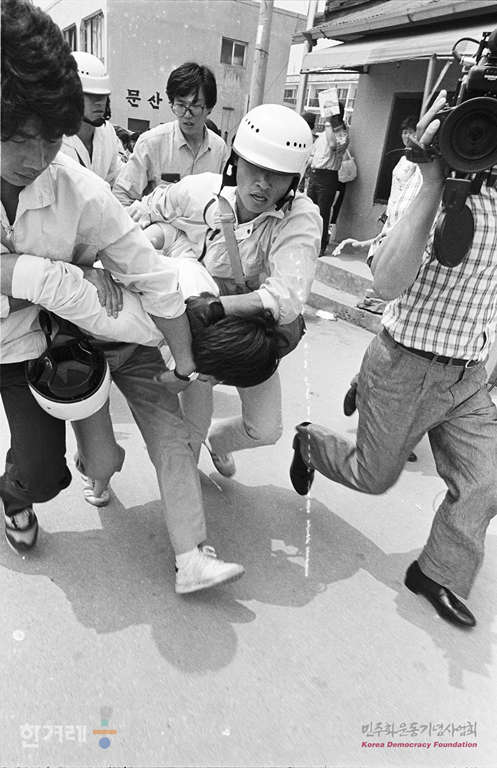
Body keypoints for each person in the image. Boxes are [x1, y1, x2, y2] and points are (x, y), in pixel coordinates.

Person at [0, 0, 244, 594]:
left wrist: (183, 361)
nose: (36, 160)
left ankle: (17, 494)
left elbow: (154, 277)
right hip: (51, 317)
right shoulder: (151, 149)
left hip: (34, 345)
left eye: (51, 140)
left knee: (47, 474)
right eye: (19, 138)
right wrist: (57, 276)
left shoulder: (80, 191)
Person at [290, 90, 497, 629]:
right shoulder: (427, 189)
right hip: (404, 364)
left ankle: (437, 573)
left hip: (469, 375)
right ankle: (311, 443)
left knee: (486, 479)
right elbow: (385, 282)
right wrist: (432, 182)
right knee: (373, 476)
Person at [129, 104, 322, 478]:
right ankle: (188, 487)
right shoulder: (201, 191)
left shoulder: (300, 217)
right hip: (198, 335)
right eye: (255, 168)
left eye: (278, 175)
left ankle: (218, 442)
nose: (263, 183)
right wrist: (149, 238)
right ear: (235, 163)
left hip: (248, 339)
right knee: (191, 428)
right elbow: (144, 211)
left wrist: (217, 307)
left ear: (294, 181)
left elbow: (286, 299)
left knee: (265, 429)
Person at [113, 62, 229, 206]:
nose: (187, 114)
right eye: (180, 105)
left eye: (195, 106)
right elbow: (122, 196)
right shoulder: (151, 143)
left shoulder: (219, 150)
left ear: (209, 108)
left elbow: (225, 201)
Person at [60, 51, 123, 187]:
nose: (99, 102)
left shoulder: (107, 132)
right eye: (90, 96)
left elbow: (116, 178)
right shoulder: (53, 140)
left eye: (103, 96)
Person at [307, 105, 349, 257]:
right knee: (309, 212)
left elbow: (333, 146)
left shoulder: (342, 132)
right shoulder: (324, 133)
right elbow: (314, 155)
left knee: (322, 213)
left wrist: (328, 124)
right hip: (315, 174)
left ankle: (321, 245)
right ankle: (308, 243)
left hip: (328, 176)